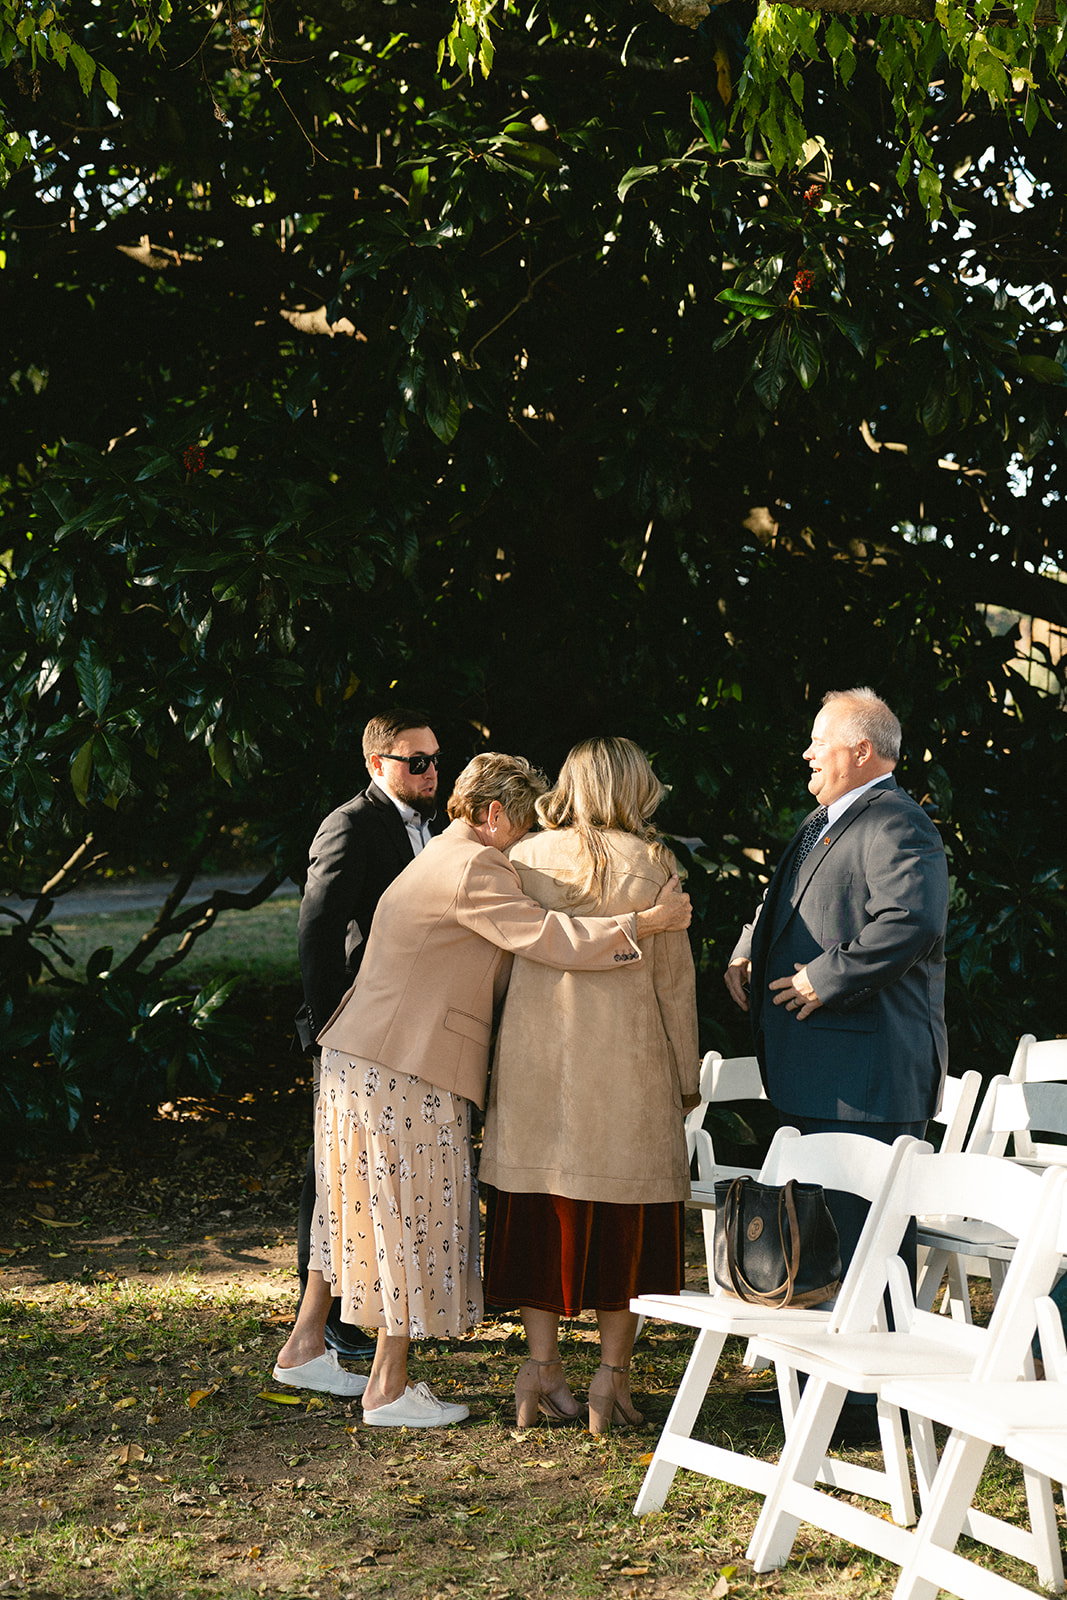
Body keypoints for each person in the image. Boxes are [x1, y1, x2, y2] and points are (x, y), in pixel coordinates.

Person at [272, 751, 693, 1428]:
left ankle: (303, 1347)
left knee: (353, 1208)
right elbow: (547, 937)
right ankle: (386, 1389)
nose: (529, 838)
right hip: (406, 1059)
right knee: (408, 1215)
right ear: (493, 813)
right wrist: (644, 924)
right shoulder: (477, 865)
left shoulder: (442, 851)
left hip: (361, 1052)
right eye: (523, 824)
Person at [724, 687, 949, 1443]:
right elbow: (781, 899)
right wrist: (748, 950)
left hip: (867, 1076)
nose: (807, 754)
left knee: (869, 1238)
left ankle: (869, 1401)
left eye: (819, 742)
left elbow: (910, 921)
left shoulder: (896, 821)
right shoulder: (823, 823)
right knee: (820, 1231)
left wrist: (828, 976)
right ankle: (821, 1380)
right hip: (819, 1069)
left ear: (860, 751)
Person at [479, 737, 701, 1433]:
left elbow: (495, 971)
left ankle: (539, 1368)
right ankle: (610, 1380)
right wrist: (685, 1074)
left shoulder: (521, 861)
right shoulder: (654, 866)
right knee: (623, 1226)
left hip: (533, 1074)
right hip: (628, 1078)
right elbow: (673, 985)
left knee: (541, 1215)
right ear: (634, 787)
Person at [294, 709, 443, 1361]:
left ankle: (375, 1299)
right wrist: (329, 1022)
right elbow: (318, 929)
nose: (432, 771)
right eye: (417, 761)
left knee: (378, 1167)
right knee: (332, 1168)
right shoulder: (351, 825)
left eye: (435, 759)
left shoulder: (437, 827)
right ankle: (325, 1311)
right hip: (358, 1020)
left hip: (416, 1021)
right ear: (377, 764)